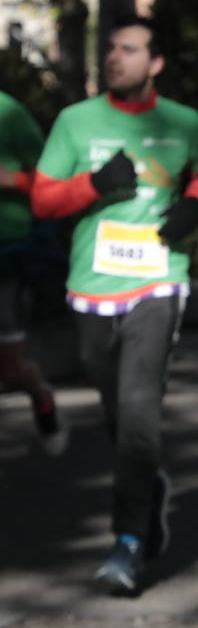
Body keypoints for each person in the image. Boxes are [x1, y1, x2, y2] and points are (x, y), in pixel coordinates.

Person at [32, 15, 198, 594]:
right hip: (92, 285)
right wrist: (92, 184)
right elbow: (42, 199)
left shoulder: (183, 122)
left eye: (130, 49)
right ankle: (148, 484)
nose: (116, 58)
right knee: (115, 406)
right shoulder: (75, 121)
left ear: (155, 62)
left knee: (140, 409)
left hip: (159, 282)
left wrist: (192, 208)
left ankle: (128, 542)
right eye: (111, 49)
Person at [0, 89, 62, 454]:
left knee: (8, 369)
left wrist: (11, 181)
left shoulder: (9, 111)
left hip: (7, 251)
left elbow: (51, 178)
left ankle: (40, 394)